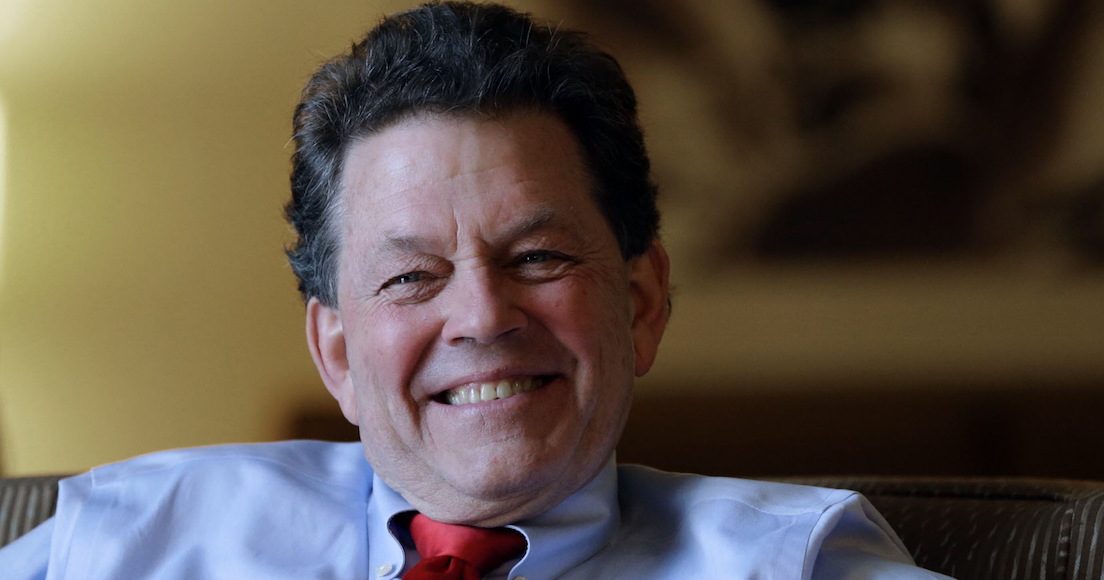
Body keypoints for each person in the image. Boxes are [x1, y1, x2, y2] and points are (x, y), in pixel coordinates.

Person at [0, 2, 950, 578]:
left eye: (538, 257)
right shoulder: (130, 540)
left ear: (642, 300)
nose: (483, 318)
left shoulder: (790, 565)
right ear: (335, 350)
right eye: (412, 277)